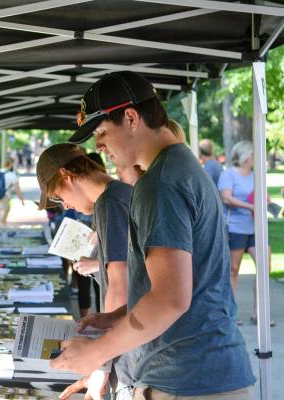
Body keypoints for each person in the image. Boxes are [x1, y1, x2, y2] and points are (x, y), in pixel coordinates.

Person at [54, 71, 254, 399]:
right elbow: (189, 281)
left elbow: (170, 299)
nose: (98, 145)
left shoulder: (160, 183)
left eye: (102, 131)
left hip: (188, 379)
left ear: (131, 118)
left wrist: (95, 353)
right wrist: (120, 315)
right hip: (203, 373)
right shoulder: (183, 166)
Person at [37, 145, 132, 400]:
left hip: (134, 355)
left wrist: (100, 363)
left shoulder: (110, 202)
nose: (66, 205)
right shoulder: (117, 196)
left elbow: (119, 287)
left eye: (58, 196)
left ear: (66, 175)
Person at [217, 140, 274, 326]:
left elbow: (262, 195)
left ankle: (259, 313)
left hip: (256, 228)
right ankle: (231, 314)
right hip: (235, 228)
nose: (255, 158)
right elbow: (226, 198)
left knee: (264, 267)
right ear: (244, 156)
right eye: (253, 155)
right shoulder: (228, 175)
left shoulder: (255, 175)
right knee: (234, 270)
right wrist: (250, 206)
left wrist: (265, 200)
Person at [0, 160, 25, 226]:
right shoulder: (12, 175)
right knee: (2, 222)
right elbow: (17, 189)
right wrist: (21, 200)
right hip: (4, 198)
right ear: (11, 165)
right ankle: (1, 233)